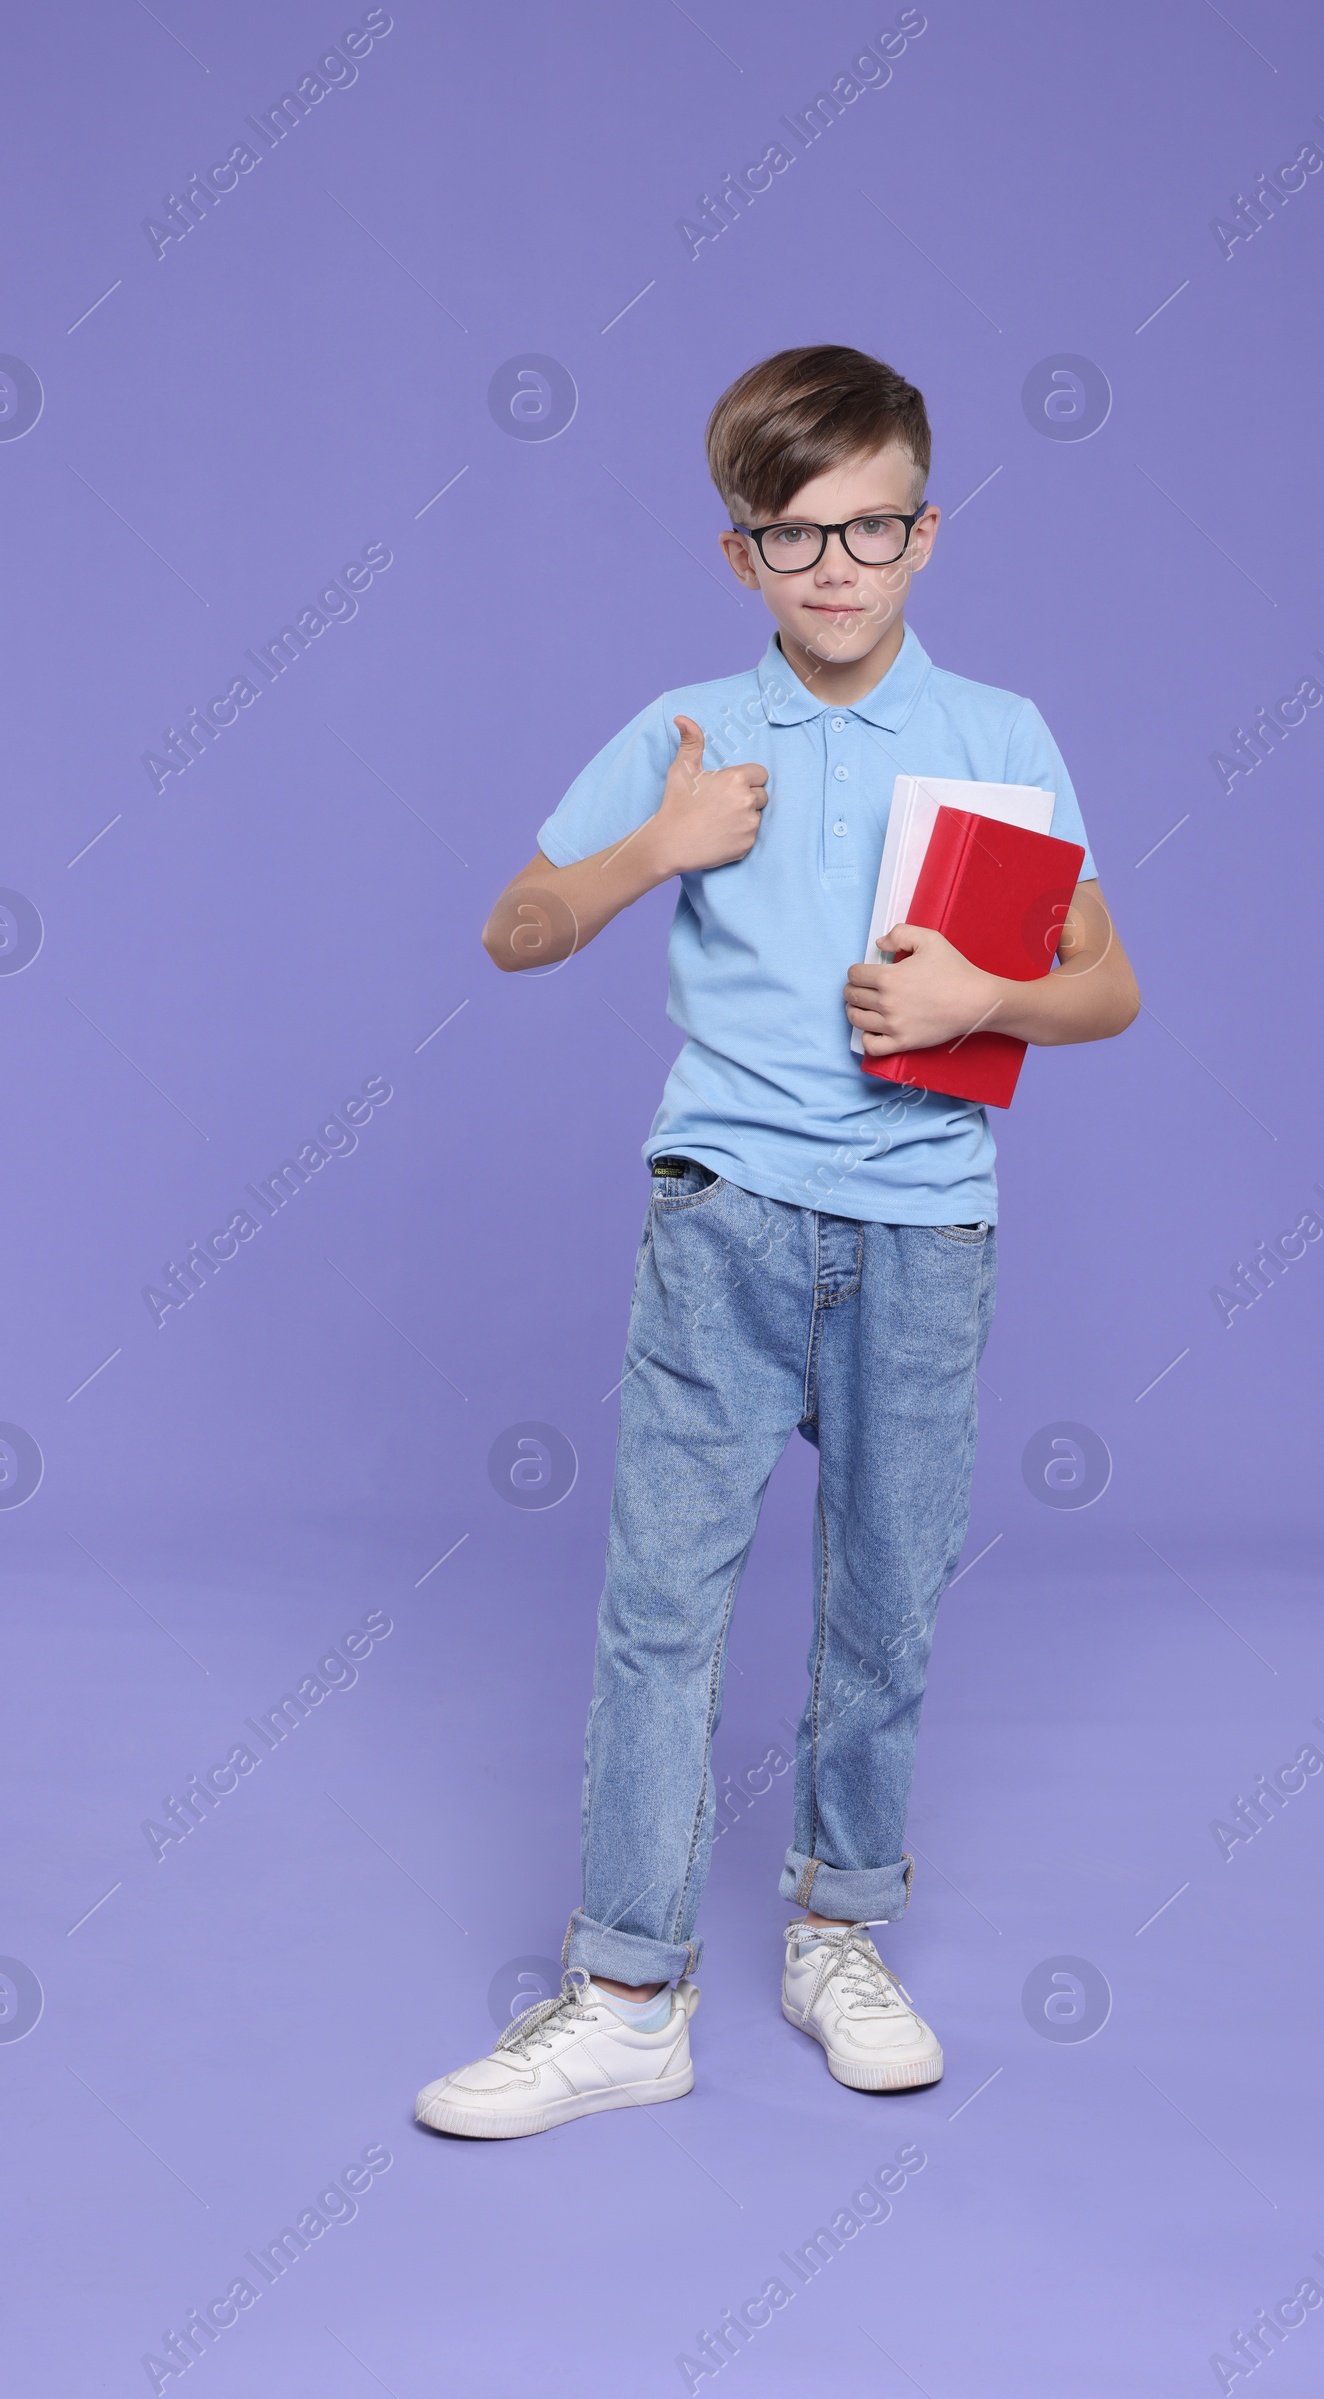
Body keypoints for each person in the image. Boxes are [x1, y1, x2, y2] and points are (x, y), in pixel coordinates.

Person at [416, 345, 1139, 2140]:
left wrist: (988, 989)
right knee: (661, 1612)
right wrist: (651, 848)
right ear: (740, 554)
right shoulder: (690, 732)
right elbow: (513, 930)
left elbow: (1109, 986)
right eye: (793, 535)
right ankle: (622, 1996)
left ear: (925, 529)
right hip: (724, 1222)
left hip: (923, 1228)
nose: (836, 567)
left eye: (871, 527)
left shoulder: (1002, 737)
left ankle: (842, 1932)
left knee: (884, 1608)